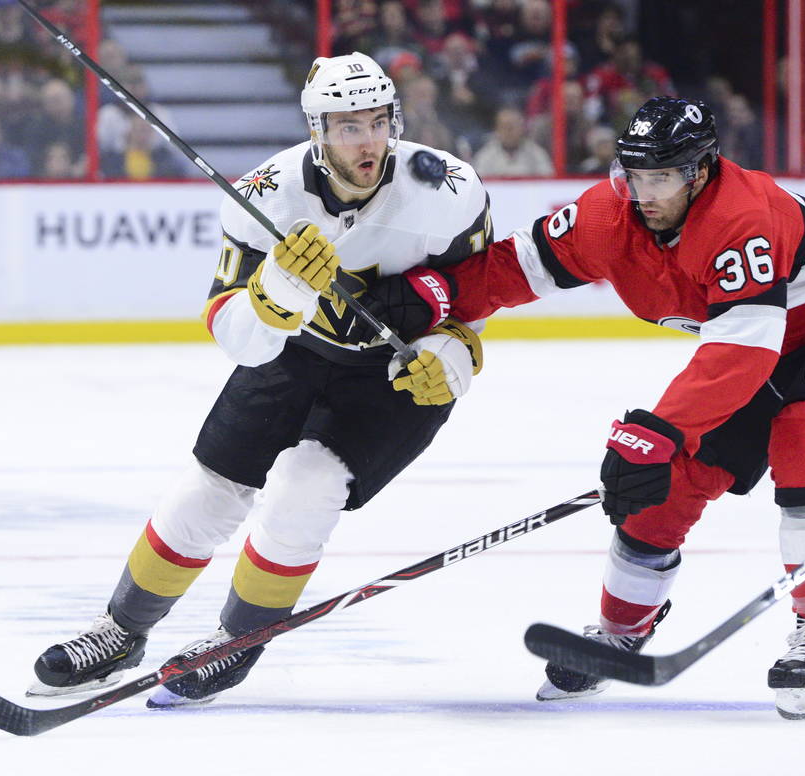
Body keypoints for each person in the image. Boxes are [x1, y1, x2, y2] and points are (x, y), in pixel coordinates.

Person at [364, 97, 805, 719]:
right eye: (633, 174)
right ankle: (619, 633)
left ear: (700, 172)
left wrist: (658, 429)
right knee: (667, 482)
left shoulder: (741, 219)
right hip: (769, 342)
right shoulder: (608, 215)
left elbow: (742, 351)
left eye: (661, 178)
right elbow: (518, 266)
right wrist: (437, 293)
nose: (643, 193)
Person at [29, 52, 492, 707]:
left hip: (393, 374)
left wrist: (452, 352)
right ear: (317, 131)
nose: (368, 142)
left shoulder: (449, 188)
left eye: (378, 122)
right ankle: (121, 630)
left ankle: (237, 641)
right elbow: (234, 334)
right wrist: (275, 296)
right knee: (207, 491)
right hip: (295, 351)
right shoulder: (265, 194)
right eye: (349, 126)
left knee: (307, 487)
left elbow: (479, 291)